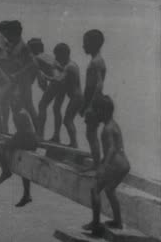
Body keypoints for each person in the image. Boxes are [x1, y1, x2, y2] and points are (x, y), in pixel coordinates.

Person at [82, 95, 130, 236]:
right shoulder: (113, 124)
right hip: (123, 164)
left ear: (103, 111)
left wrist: (103, 167)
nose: (95, 114)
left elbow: (111, 149)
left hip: (116, 163)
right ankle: (117, 221)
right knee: (109, 190)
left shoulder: (107, 129)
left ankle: (96, 224)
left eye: (97, 111)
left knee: (95, 190)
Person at [0, 89, 37, 207]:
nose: (13, 102)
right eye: (11, 100)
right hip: (27, 139)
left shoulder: (20, 113)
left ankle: (6, 171)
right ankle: (27, 195)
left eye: (15, 100)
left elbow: (23, 132)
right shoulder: (19, 112)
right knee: (23, 164)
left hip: (28, 140)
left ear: (19, 101)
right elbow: (21, 132)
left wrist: (11, 142)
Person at [0, 21, 39, 133]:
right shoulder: (12, 45)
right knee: (11, 104)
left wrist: (18, 73)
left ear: (15, 33)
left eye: (9, 34)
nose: (7, 37)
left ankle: (38, 132)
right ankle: (18, 131)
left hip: (23, 80)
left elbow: (33, 63)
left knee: (28, 106)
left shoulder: (24, 47)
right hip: (15, 81)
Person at [42, 43, 83, 148]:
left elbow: (60, 80)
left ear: (64, 54)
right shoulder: (69, 65)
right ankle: (60, 138)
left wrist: (46, 77)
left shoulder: (70, 67)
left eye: (57, 56)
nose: (56, 58)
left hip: (76, 97)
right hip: (75, 97)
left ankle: (74, 143)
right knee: (61, 113)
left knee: (68, 120)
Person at [27, 38, 64, 141]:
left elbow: (40, 79)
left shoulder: (36, 58)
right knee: (56, 109)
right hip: (64, 80)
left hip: (56, 80)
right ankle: (56, 136)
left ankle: (40, 134)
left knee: (42, 105)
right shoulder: (48, 57)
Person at [81, 29, 107, 168]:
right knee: (90, 133)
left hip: (95, 102)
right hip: (92, 101)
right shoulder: (95, 60)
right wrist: (85, 105)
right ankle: (97, 163)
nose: (83, 46)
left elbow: (98, 85)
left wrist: (91, 106)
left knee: (91, 134)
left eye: (85, 43)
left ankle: (97, 165)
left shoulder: (97, 61)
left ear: (93, 44)